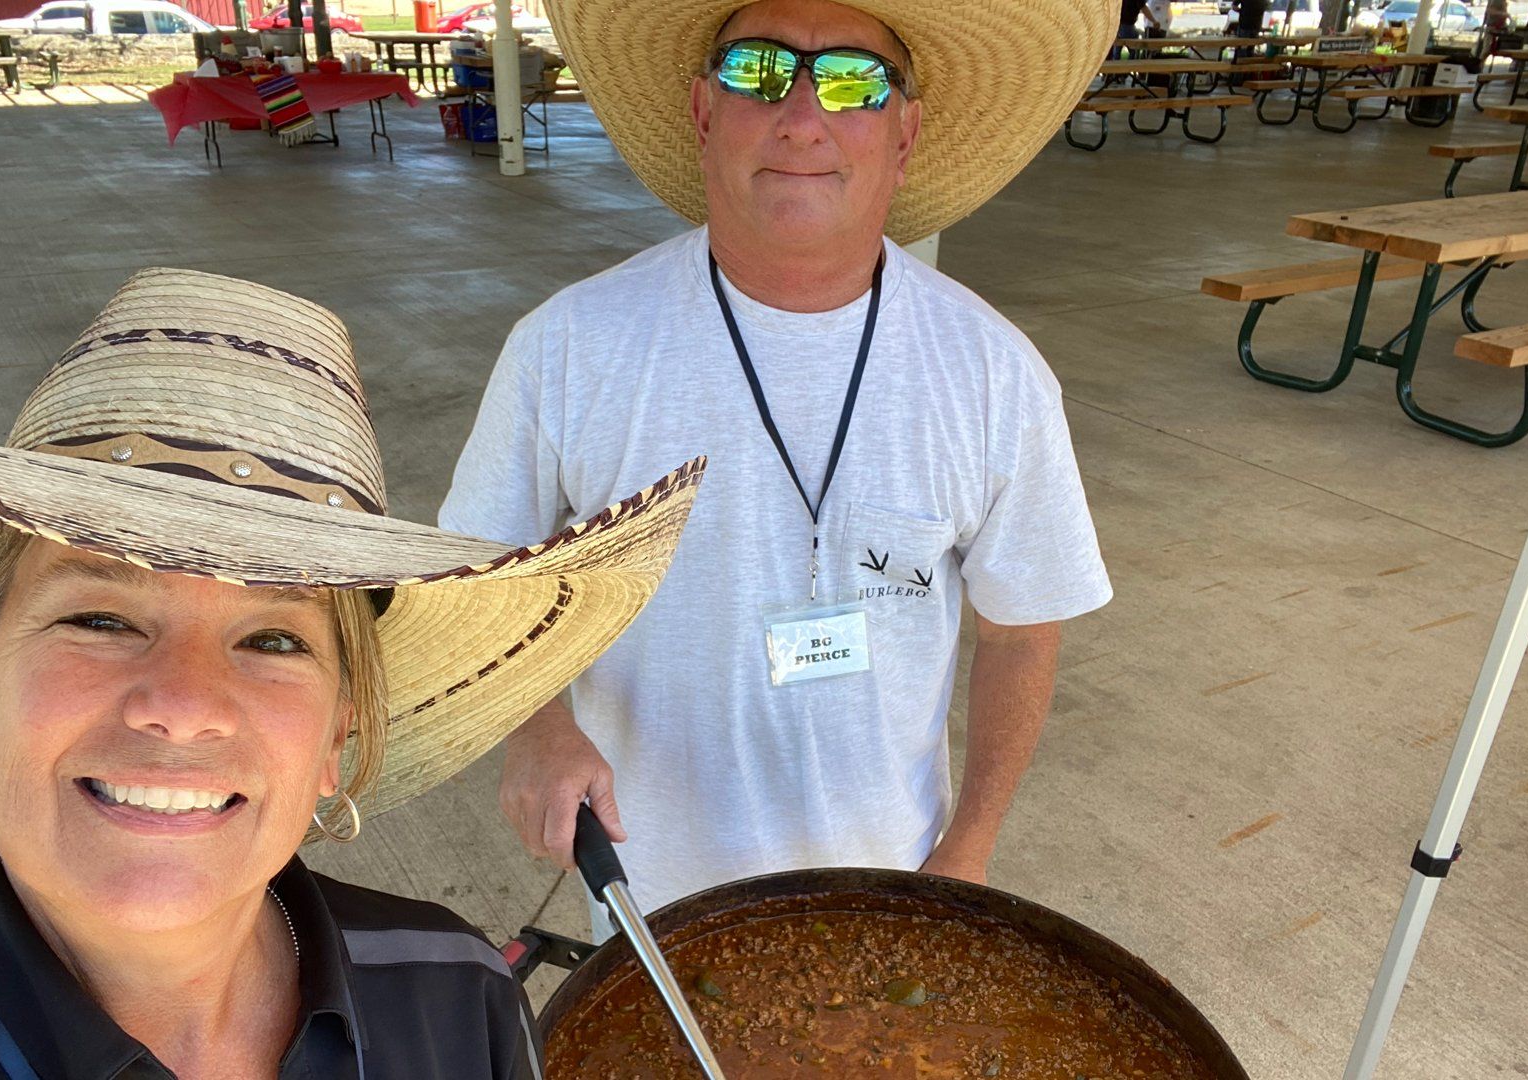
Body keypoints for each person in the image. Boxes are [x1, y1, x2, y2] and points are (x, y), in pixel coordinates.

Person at [0, 268, 700, 1077]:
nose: (183, 706)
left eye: (273, 641)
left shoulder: (455, 995)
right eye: (100, 620)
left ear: (336, 737)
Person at [443, 0, 1114, 937]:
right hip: (647, 894)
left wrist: (967, 852)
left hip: (890, 886)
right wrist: (536, 724)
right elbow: (477, 572)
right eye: (757, 71)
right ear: (703, 112)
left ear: (905, 134)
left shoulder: (995, 373)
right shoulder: (568, 347)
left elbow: (1022, 633)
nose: (802, 117)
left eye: (853, 81)